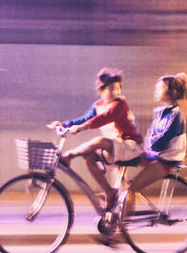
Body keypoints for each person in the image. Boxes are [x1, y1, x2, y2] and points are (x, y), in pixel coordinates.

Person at [106, 73, 187, 242]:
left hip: (165, 161)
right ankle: (115, 200)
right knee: (118, 158)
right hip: (155, 156)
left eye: (161, 87)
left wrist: (147, 147)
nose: (156, 90)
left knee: (131, 190)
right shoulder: (162, 112)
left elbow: (160, 141)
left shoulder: (175, 115)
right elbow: (151, 137)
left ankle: (120, 233)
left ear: (171, 92)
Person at [48, 68, 143, 209]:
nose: (116, 92)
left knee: (100, 141)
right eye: (111, 89)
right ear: (101, 90)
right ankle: (109, 192)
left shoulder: (120, 104)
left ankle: (69, 155)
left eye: (118, 89)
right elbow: (84, 118)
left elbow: (105, 118)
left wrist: (83, 127)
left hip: (130, 145)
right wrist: (65, 124)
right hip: (114, 148)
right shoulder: (98, 106)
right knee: (89, 157)